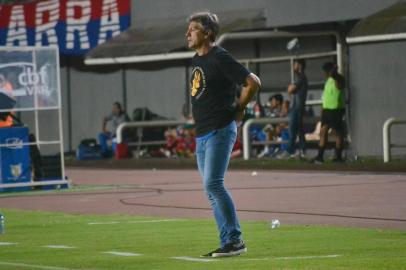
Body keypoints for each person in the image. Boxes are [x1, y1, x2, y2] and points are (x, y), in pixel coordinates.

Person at [186, 12, 261, 257]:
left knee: (213, 184)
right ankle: (227, 241)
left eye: (193, 29)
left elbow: (253, 82)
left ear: (207, 33)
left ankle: (235, 241)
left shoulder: (220, 57)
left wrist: (240, 109)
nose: (188, 34)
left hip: (220, 129)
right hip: (203, 133)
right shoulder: (196, 60)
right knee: (211, 190)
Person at [312, 62, 345, 163]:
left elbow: (339, 85)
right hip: (327, 110)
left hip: (336, 110)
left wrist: (334, 74)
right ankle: (320, 156)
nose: (324, 74)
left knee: (338, 133)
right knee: (323, 131)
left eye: (325, 72)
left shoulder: (339, 79)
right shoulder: (328, 81)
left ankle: (338, 157)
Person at [278, 59, 308, 159]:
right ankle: (302, 151)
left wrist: (290, 88)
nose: (293, 67)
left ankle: (290, 151)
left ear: (299, 65)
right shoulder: (300, 78)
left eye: (294, 65)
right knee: (299, 130)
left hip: (297, 108)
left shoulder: (301, 78)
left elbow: (290, 89)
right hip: (296, 107)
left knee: (293, 130)